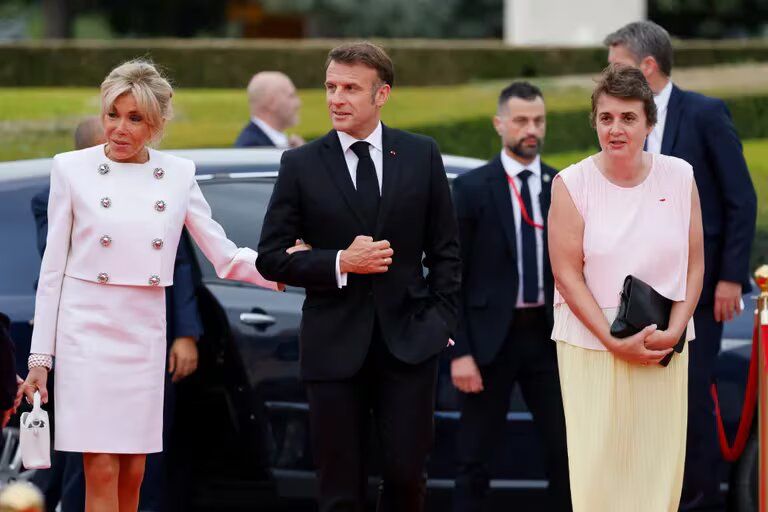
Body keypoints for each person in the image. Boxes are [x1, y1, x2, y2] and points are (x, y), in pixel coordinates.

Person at [21, 59, 282, 512]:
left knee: (136, 471)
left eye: (135, 118)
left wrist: (286, 271)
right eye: (112, 115)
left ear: (157, 124)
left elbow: (224, 254)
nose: (119, 129)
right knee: (99, 467)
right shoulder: (71, 169)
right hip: (86, 334)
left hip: (143, 335)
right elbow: (52, 273)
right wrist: (41, 358)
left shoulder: (178, 174)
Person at [257, 41, 461, 512]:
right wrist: (338, 263)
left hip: (410, 345)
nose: (336, 98)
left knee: (407, 479)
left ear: (381, 94)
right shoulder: (301, 164)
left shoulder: (421, 154)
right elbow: (270, 256)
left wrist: (441, 323)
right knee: (338, 489)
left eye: (351, 88)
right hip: (332, 346)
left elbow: (447, 251)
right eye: (331, 86)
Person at [604, 21, 758, 510]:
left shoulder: (706, 114)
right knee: (638, 408)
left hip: (699, 290)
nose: (607, 76)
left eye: (616, 66)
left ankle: (695, 503)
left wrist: (731, 276)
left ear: (647, 67)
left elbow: (740, 199)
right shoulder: (617, 122)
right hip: (632, 292)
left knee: (690, 405)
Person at [548, 64, 704, 511]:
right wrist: (612, 342)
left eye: (628, 117)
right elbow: (566, 274)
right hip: (591, 348)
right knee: (600, 474)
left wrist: (675, 330)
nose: (616, 128)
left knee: (657, 471)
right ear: (595, 122)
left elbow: (695, 262)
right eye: (606, 118)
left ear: (649, 123)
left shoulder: (680, 176)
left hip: (662, 346)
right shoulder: (572, 183)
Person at [450, 82, 571, 512]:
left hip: (548, 339)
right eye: (521, 120)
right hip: (487, 343)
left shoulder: (561, 185)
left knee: (566, 452)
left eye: (538, 120)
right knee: (474, 456)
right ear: (499, 124)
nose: (531, 129)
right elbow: (448, 276)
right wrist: (459, 352)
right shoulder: (470, 188)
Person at [234, 71, 304, 148]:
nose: (298, 103)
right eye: (291, 96)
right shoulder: (252, 148)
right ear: (272, 102)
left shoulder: (267, 142)